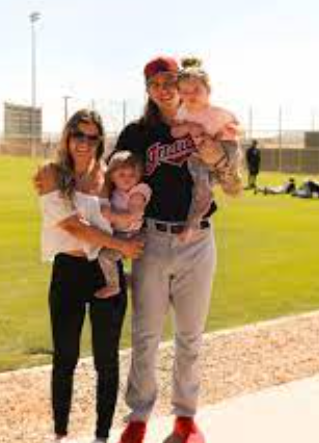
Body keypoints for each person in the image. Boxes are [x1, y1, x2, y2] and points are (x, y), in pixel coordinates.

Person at [112, 56, 242, 443]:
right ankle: (138, 417)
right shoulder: (136, 134)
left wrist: (218, 156)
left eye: (170, 81)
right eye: (156, 84)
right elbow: (112, 185)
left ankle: (185, 417)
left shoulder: (209, 124)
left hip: (198, 239)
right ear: (148, 91)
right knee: (145, 334)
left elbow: (235, 186)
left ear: (182, 83)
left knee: (190, 335)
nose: (165, 89)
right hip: (150, 239)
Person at [34, 109, 143, 443]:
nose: (83, 143)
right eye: (78, 135)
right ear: (67, 136)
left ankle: (101, 436)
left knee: (106, 361)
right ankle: (61, 434)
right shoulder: (50, 173)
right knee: (65, 357)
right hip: (68, 272)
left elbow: (135, 200)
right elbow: (70, 225)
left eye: (91, 137)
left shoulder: (109, 177)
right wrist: (118, 244)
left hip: (104, 271)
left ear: (100, 142)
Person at [171, 56, 241, 241]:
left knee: (231, 147)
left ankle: (229, 175)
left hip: (221, 149)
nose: (191, 95)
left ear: (208, 91)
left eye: (196, 90)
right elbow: (175, 132)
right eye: (184, 92)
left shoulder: (218, 112)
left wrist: (226, 134)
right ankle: (192, 225)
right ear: (179, 94)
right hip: (197, 157)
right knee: (201, 190)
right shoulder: (182, 112)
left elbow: (236, 128)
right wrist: (187, 127)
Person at [96, 150, 152, 298]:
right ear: (112, 176)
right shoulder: (116, 192)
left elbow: (133, 216)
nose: (127, 179)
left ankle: (113, 286)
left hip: (132, 235)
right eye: (121, 175)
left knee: (105, 256)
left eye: (132, 175)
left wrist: (111, 216)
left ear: (139, 176)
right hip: (121, 234)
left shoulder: (138, 191)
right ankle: (128, 279)